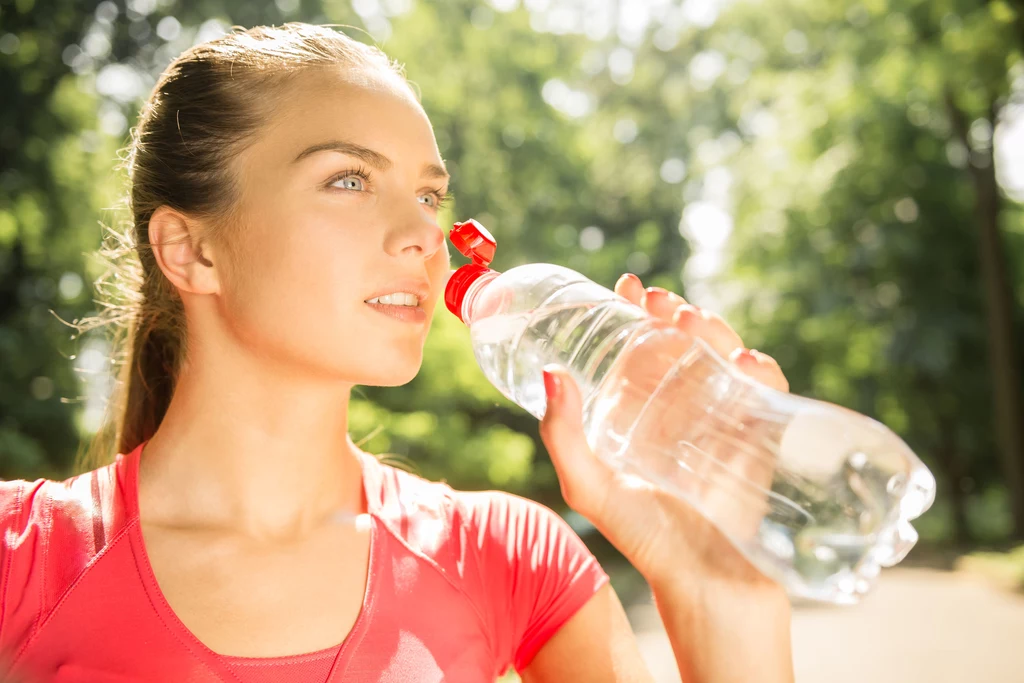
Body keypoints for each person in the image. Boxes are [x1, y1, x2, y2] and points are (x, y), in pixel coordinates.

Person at [0, 24, 794, 683]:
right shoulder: (20, 559)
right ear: (192, 249)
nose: (423, 236)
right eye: (349, 179)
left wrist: (713, 584)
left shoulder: (510, 559)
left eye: (428, 195)